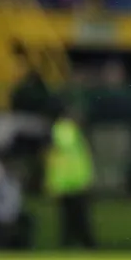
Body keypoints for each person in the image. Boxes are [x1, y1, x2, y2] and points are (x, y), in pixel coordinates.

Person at [45, 105, 96, 249]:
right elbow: (66, 152)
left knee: (70, 217)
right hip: (71, 182)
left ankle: (70, 243)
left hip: (69, 182)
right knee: (77, 217)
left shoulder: (67, 131)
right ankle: (83, 244)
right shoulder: (65, 130)